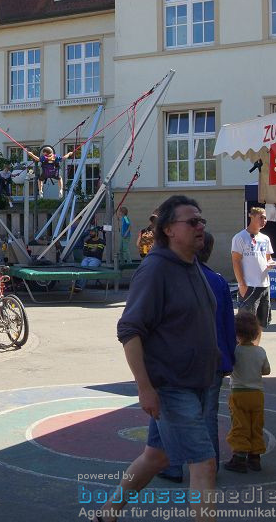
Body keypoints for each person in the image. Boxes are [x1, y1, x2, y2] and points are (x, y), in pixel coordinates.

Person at [102, 196, 218, 518]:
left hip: (199, 382)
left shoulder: (191, 263)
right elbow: (129, 330)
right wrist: (144, 387)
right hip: (172, 386)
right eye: (191, 222)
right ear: (169, 230)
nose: (200, 226)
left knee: (157, 457)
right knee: (204, 464)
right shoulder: (155, 270)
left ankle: (107, 513)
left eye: (201, 220)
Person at [158, 231, 236, 483]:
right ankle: (209, 468)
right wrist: (228, 358)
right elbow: (227, 324)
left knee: (173, 415)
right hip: (213, 358)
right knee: (208, 415)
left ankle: (173, 465)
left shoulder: (175, 278)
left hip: (181, 360)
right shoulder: (218, 280)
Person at [223, 312, 270, 473]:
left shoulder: (235, 351)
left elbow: (228, 368)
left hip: (239, 393)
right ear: (256, 332)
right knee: (256, 424)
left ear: (236, 333)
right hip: (257, 394)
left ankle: (240, 457)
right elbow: (267, 370)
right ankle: (255, 457)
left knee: (240, 424)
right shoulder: (260, 351)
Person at [230, 207, 276, 328]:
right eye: (261, 217)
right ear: (251, 216)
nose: (264, 220)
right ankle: (242, 346)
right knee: (246, 324)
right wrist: (242, 284)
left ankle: (256, 346)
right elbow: (236, 261)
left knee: (261, 324)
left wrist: (272, 263)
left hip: (264, 285)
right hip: (249, 285)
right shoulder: (240, 237)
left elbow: (268, 258)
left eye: (265, 218)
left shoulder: (265, 238)